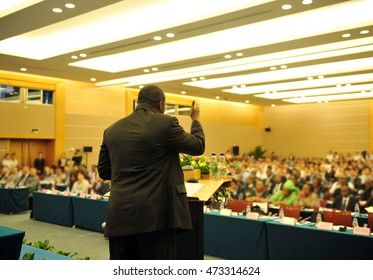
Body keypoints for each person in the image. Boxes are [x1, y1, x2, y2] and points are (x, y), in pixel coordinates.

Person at [98, 85, 205, 260]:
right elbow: (197, 146)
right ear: (161, 104)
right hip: (155, 217)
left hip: (119, 216)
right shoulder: (166, 123)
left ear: (138, 102)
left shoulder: (111, 130)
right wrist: (196, 120)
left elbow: (104, 171)